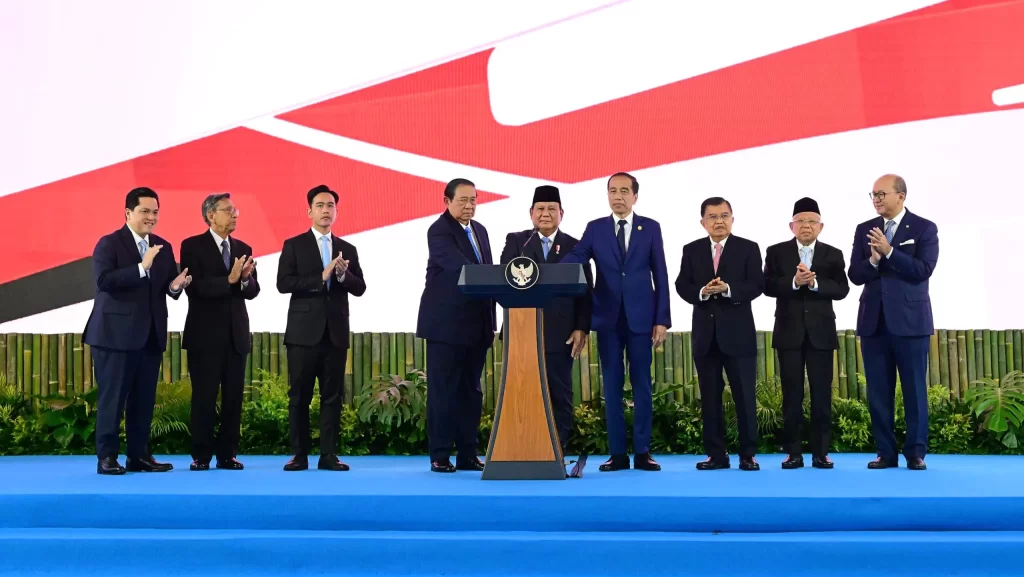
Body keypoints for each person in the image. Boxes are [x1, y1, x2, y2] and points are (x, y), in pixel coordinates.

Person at [561, 172, 670, 472]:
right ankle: (618, 454)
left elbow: (660, 274)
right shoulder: (595, 229)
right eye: (612, 190)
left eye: (624, 191)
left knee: (641, 385)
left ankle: (643, 452)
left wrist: (661, 319)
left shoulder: (650, 227)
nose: (618, 196)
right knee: (611, 386)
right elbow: (578, 256)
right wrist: (550, 270)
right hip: (607, 318)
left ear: (636, 196)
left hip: (641, 319)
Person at [84, 187, 191, 475]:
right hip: (114, 336)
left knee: (144, 400)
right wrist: (141, 267)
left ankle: (139, 456)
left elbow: (167, 287)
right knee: (112, 398)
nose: (151, 217)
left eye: (155, 212)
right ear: (128, 213)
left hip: (150, 335)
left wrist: (176, 286)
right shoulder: (109, 244)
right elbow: (104, 281)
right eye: (145, 211)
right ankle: (106, 458)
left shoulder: (164, 247)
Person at [849, 174, 937, 470]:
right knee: (878, 391)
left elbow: (923, 269)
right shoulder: (864, 230)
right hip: (874, 322)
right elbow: (855, 275)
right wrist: (873, 260)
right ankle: (885, 453)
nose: (876, 199)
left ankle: (915, 453)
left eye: (881, 193)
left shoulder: (924, 228)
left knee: (914, 389)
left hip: (911, 323)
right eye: (872, 194)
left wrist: (889, 252)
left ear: (901, 196)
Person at [498, 185, 593, 461]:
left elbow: (587, 291)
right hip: (521, 331)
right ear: (531, 213)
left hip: (561, 333)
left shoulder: (576, 245)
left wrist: (582, 327)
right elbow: (504, 281)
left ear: (561, 213)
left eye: (552, 209)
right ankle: (522, 447)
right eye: (540, 208)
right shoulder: (517, 242)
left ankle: (556, 450)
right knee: (521, 393)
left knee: (559, 394)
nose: (546, 213)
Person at [276, 184, 366, 471]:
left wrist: (343, 275)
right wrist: (321, 276)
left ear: (336, 211)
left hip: (335, 334)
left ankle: (328, 455)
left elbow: (360, 287)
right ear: (309, 211)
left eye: (330, 206)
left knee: (332, 397)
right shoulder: (294, 245)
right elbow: (283, 283)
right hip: (303, 334)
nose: (326, 210)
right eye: (320, 205)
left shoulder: (348, 248)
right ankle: (299, 455)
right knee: (299, 397)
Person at [675, 197, 763, 471]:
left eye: (724, 215)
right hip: (705, 336)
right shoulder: (691, 250)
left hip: (738, 336)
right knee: (710, 399)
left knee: (744, 397)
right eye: (712, 217)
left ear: (733, 219)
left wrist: (727, 289)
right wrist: (703, 292)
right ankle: (716, 455)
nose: (719, 221)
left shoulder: (748, 248)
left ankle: (747, 454)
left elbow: (757, 284)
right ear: (703, 222)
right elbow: (682, 284)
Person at [416, 178, 496, 473]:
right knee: (443, 391)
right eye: (463, 200)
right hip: (446, 327)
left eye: (473, 200)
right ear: (447, 201)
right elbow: (462, 270)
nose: (469, 205)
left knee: (471, 392)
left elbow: (487, 272)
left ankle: (467, 453)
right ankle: (439, 454)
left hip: (477, 326)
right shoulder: (439, 230)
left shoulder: (481, 231)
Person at [763, 197, 849, 469]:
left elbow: (842, 289)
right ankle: (793, 452)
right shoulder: (776, 252)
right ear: (792, 226)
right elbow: (767, 285)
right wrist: (793, 282)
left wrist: (814, 284)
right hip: (789, 332)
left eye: (812, 221)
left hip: (821, 333)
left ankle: (821, 453)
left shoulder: (833, 254)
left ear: (821, 226)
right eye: (801, 221)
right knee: (791, 395)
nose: (806, 226)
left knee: (822, 395)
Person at [180, 193, 259, 471]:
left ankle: (228, 454)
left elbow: (253, 291)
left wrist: (246, 278)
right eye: (228, 210)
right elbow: (195, 287)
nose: (235, 214)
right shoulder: (191, 246)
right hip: (204, 336)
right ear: (211, 215)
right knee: (204, 396)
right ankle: (201, 455)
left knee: (234, 398)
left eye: (235, 210)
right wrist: (229, 280)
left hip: (236, 335)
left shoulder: (243, 247)